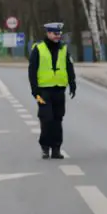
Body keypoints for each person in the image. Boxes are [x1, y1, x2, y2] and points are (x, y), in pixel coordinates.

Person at [28, 22, 76, 159]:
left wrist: (72, 83)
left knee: (57, 119)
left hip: (59, 90)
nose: (57, 36)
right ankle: (45, 146)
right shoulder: (39, 49)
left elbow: (69, 67)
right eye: (55, 34)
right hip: (42, 92)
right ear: (48, 33)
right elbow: (32, 70)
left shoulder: (63, 49)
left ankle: (56, 148)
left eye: (59, 34)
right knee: (46, 118)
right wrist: (34, 90)